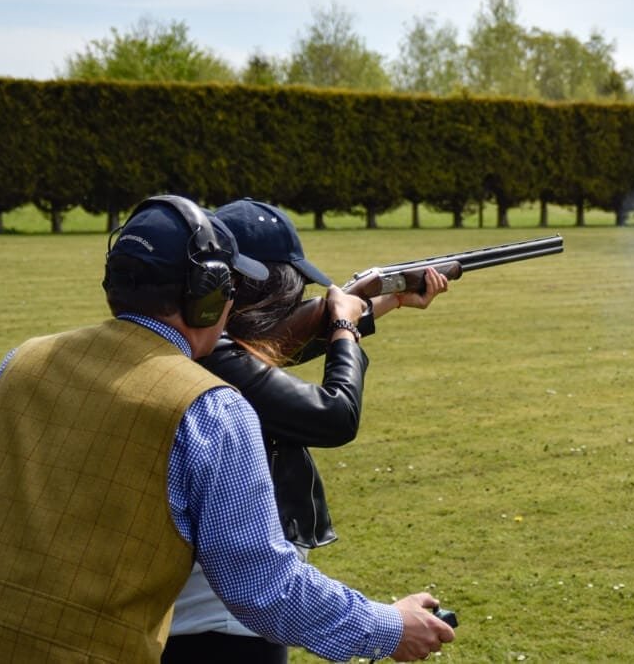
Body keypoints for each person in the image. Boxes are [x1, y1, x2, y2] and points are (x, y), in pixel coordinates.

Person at [0, 194, 455, 664]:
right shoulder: (211, 408)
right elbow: (267, 589)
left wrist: (367, 309)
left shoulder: (20, 362)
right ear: (208, 292)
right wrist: (389, 626)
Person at [163, 198, 451, 664]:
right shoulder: (220, 362)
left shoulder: (196, 346)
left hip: (200, 616)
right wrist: (343, 329)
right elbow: (334, 416)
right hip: (221, 625)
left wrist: (386, 300)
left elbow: (269, 350)